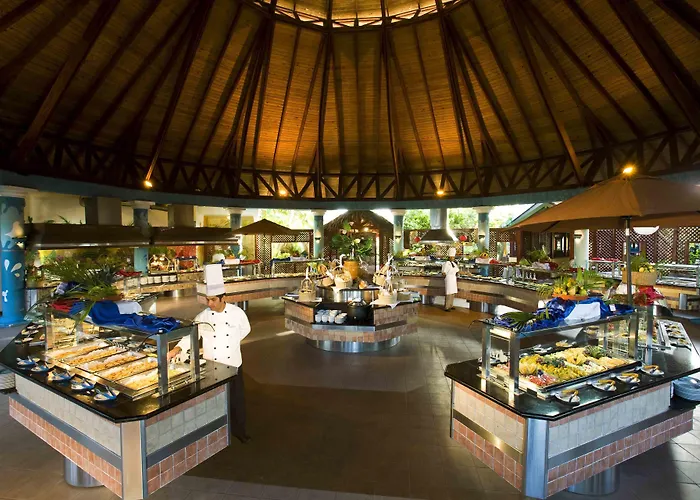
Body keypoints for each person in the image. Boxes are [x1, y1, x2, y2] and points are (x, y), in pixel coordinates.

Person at [167, 264, 251, 443]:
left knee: (236, 400)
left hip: (232, 362)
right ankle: (216, 433)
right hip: (212, 364)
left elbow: (246, 329)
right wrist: (177, 349)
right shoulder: (203, 316)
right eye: (207, 300)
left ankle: (240, 431)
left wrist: (231, 342)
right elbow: (192, 335)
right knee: (214, 400)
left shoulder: (237, 313)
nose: (210, 304)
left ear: (223, 298)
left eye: (213, 300)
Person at [442, 247, 459, 311]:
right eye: (452, 257)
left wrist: (466, 273)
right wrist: (445, 275)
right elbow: (444, 272)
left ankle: (451, 305)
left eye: (453, 257)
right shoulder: (446, 263)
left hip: (453, 279)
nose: (453, 258)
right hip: (449, 279)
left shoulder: (454, 263)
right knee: (449, 293)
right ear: (449, 257)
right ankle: (446, 307)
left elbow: (457, 270)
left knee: (453, 293)